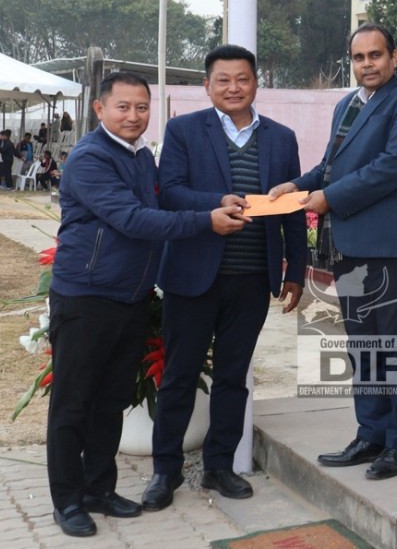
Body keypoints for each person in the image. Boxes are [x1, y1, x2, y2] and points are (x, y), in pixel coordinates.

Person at [46, 70, 247, 539]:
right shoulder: (91, 157)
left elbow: (163, 201)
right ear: (100, 110)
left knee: (111, 401)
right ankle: (68, 500)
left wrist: (213, 201)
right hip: (86, 296)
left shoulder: (139, 157)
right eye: (123, 107)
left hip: (131, 297)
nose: (134, 116)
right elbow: (134, 219)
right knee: (73, 404)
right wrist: (206, 221)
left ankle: (99, 489)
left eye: (142, 107)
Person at [268, 24, 397, 481]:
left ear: (394, 57)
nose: (367, 64)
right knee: (363, 346)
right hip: (348, 244)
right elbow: (331, 165)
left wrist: (329, 199)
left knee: (394, 345)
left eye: (376, 55)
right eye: (359, 57)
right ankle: (371, 433)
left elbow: (393, 166)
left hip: (388, 244)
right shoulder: (347, 104)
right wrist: (299, 186)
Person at [143, 44, 305, 508]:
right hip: (193, 276)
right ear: (206, 85)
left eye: (242, 79)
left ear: (257, 82)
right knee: (179, 375)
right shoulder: (182, 131)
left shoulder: (281, 137)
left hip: (253, 277)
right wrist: (214, 205)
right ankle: (165, 472)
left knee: (234, 377)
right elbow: (170, 192)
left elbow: (293, 207)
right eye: (223, 80)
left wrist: (295, 267)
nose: (233, 88)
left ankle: (218, 467)